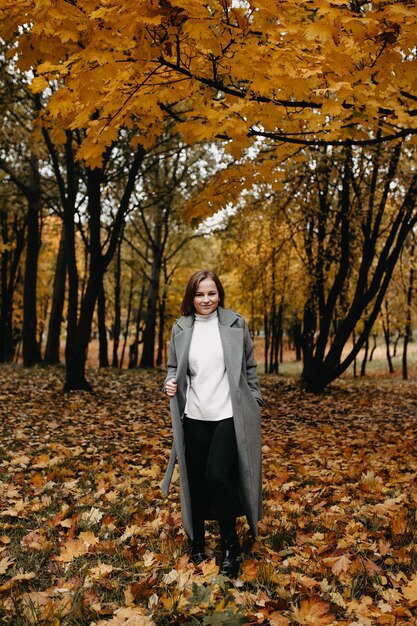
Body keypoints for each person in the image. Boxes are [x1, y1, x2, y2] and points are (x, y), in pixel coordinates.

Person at [161, 269, 263, 578]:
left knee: (218, 476)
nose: (206, 299)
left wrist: (255, 399)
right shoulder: (181, 328)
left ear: (219, 294)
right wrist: (169, 382)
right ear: (191, 297)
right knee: (195, 481)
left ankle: (231, 546)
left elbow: (249, 366)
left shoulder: (235, 323)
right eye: (200, 294)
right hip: (194, 415)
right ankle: (197, 543)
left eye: (212, 293)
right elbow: (173, 368)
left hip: (228, 414)